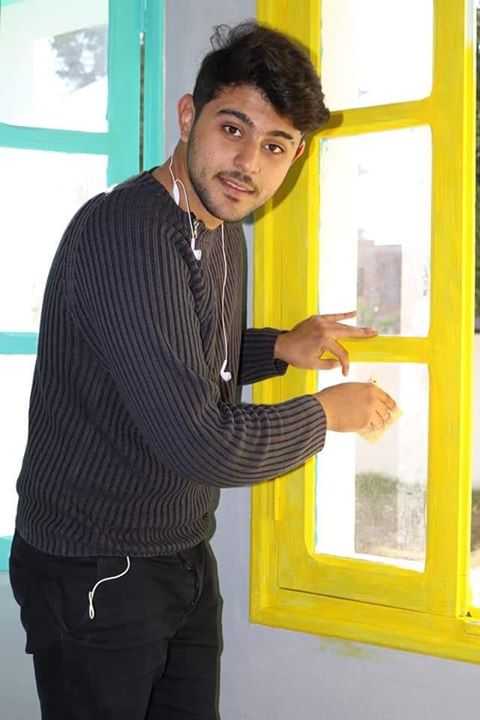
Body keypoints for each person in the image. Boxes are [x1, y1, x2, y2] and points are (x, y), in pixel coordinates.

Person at [9, 20, 396, 720]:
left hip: (179, 552)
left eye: (274, 145)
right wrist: (324, 414)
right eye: (233, 128)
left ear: (296, 156)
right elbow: (200, 442)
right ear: (189, 117)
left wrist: (279, 348)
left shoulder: (220, 229)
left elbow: (178, 360)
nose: (247, 162)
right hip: (95, 563)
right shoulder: (127, 232)